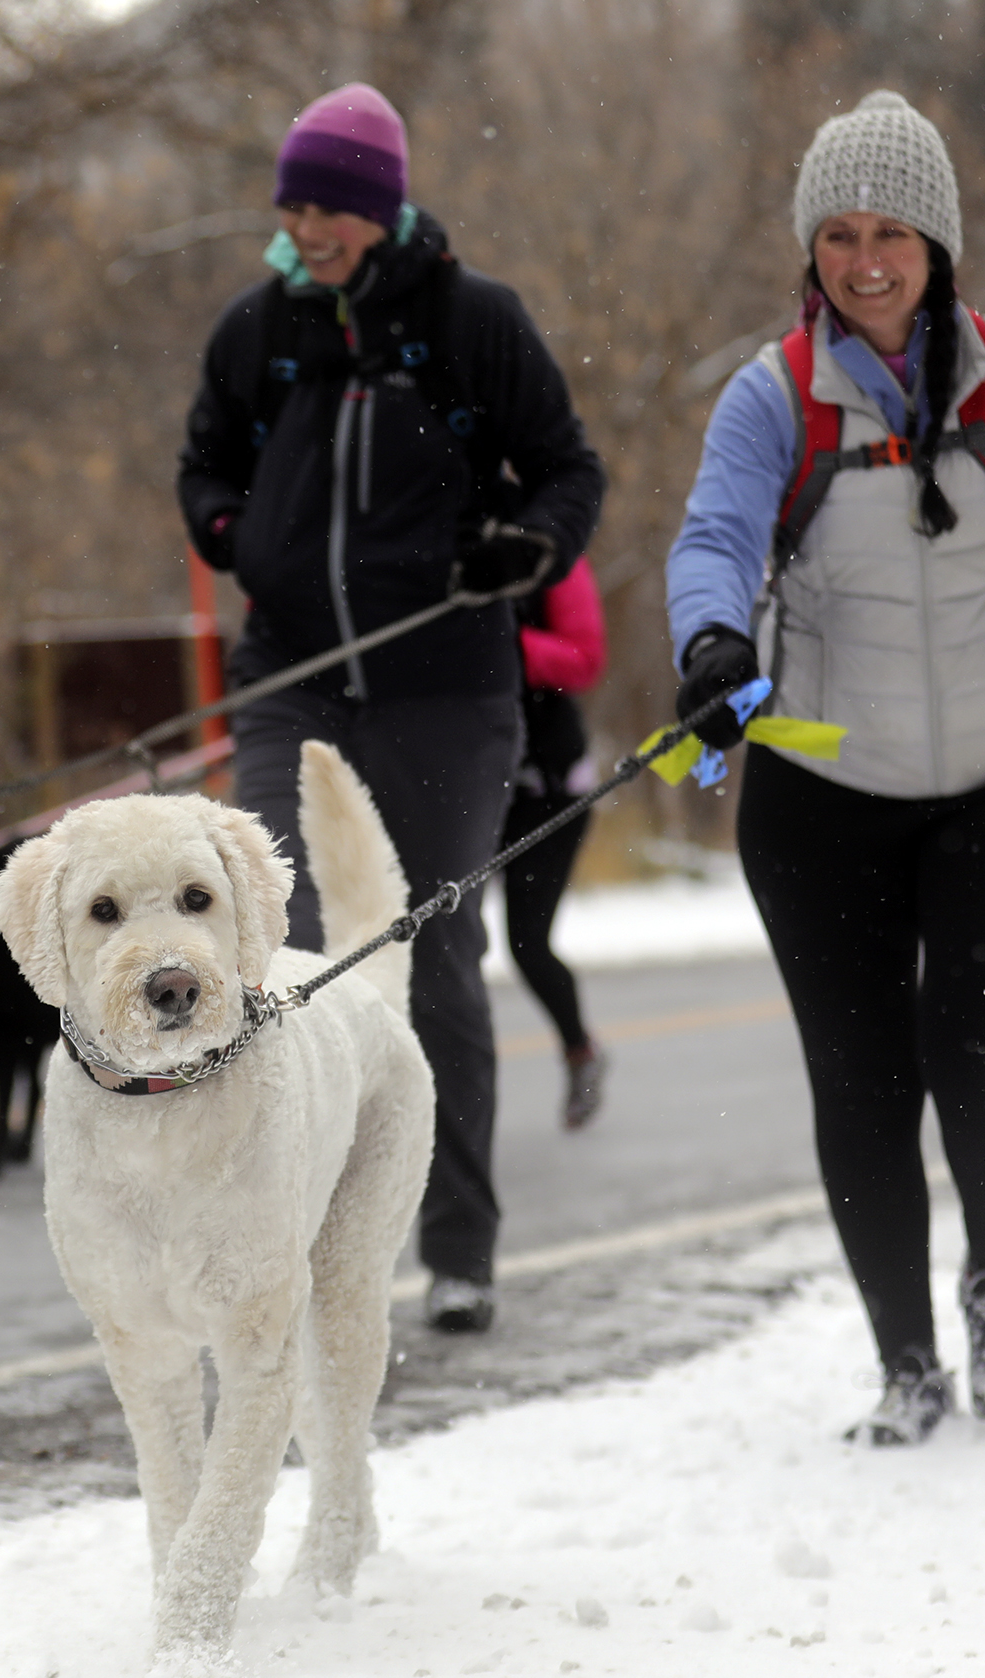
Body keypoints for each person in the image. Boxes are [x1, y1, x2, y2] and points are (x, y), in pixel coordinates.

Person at [663, 90, 985, 1445]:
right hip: (822, 797)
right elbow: (712, 535)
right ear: (812, 250)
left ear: (938, 242)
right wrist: (712, 643)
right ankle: (906, 1357)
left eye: (891, 228)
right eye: (837, 233)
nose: (865, 258)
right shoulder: (773, 394)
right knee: (862, 1076)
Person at [178, 83, 607, 1335]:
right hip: (291, 675)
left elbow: (571, 468)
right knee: (283, 942)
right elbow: (207, 459)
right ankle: (291, 1245)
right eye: (292, 206)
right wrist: (230, 531)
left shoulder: (474, 324)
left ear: (382, 209)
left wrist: (526, 547)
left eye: (330, 209)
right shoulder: (262, 328)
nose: (307, 228)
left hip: (446, 684)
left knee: (430, 953)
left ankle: (458, 1243)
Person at [503, 555, 609, 1130]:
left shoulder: (550, 553)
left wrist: (500, 645)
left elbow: (584, 659)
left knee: (527, 943)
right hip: (470, 784)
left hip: (549, 789)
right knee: (444, 943)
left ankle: (580, 1051)